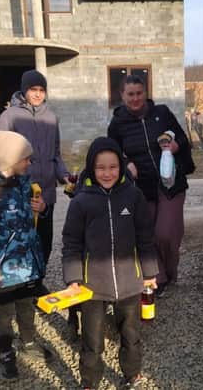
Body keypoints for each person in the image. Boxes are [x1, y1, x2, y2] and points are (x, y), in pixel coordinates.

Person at [61, 137, 158, 390]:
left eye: (113, 167)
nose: (107, 173)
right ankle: (90, 381)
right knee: (92, 340)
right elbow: (71, 242)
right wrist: (73, 278)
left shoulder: (134, 196)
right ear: (91, 168)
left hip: (130, 283)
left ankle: (132, 374)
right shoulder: (81, 200)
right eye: (101, 167)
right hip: (92, 285)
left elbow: (145, 237)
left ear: (122, 166)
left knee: (131, 335)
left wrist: (149, 272)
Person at [0, 131, 55, 380]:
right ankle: (6, 352)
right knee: (4, 312)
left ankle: (28, 342)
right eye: (26, 159)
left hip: (27, 263)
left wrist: (44, 209)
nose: (30, 163)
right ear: (11, 159)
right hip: (3, 267)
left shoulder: (24, 183)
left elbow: (36, 217)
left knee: (26, 305)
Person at [108, 75, 194, 297]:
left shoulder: (162, 113)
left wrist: (176, 146)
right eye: (130, 94)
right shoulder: (117, 123)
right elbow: (113, 153)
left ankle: (171, 269)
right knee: (148, 235)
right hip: (141, 188)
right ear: (122, 96)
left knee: (166, 233)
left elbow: (184, 139)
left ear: (145, 93)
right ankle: (160, 277)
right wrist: (127, 164)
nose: (136, 98)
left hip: (171, 182)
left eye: (139, 93)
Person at [0, 69, 70, 269]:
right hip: (21, 192)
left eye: (41, 90)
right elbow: (2, 154)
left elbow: (56, 154)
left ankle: (39, 280)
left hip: (46, 193)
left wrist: (65, 175)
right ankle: (22, 286)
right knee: (21, 241)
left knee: (45, 241)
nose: (37, 94)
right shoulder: (9, 116)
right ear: (24, 90)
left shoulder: (52, 118)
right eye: (33, 89)